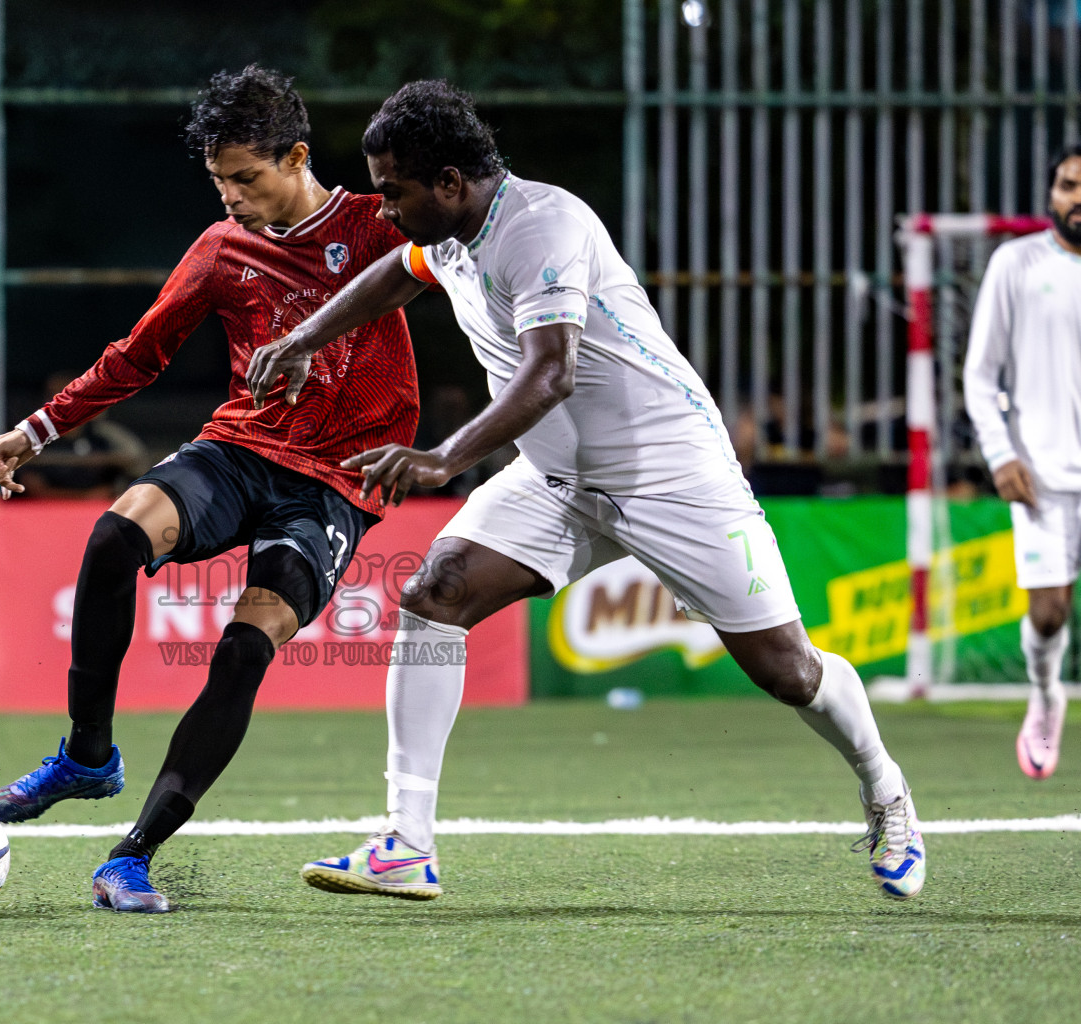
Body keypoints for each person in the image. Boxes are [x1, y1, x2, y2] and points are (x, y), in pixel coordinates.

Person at [248, 80, 926, 902]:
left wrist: (443, 458)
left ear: (452, 182)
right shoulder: (449, 231)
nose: (382, 208)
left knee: (788, 671)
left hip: (671, 474)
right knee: (435, 594)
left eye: (394, 191)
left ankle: (886, 788)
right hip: (560, 480)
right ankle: (407, 841)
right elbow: (399, 271)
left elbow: (552, 371)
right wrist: (303, 336)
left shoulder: (542, 226)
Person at [0, 65, 419, 913]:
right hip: (241, 449)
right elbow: (139, 354)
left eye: (246, 180)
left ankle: (132, 856)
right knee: (114, 534)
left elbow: (464, 271)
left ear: (296, 156)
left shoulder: (375, 228)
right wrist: (36, 431)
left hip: (333, 484)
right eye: (219, 182)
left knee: (245, 649)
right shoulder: (221, 251)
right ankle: (86, 755)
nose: (231, 199)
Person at [964, 142, 1081, 780]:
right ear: (1051, 194)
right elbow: (980, 375)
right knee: (1049, 611)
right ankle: (1044, 696)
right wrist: (1001, 453)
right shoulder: (1017, 262)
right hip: (1041, 475)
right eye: (1068, 185)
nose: (1078, 198)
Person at [18, 373, 150, 499]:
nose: (62, 404)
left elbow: (123, 481)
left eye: (69, 397)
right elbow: (34, 489)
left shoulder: (103, 437)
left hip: (95, 513)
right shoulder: (34, 438)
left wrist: (98, 496)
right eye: (55, 397)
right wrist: (84, 498)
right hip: (42, 514)